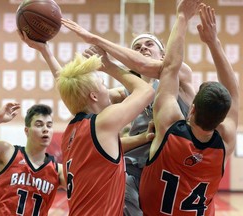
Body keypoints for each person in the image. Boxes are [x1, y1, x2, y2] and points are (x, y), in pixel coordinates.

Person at [61, 17, 195, 216]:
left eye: (149, 44)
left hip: (170, 170)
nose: (143, 48)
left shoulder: (179, 74)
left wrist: (95, 41)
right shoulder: (129, 92)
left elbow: (143, 65)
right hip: (134, 169)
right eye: (137, 47)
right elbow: (86, 97)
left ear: (164, 53)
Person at [139, 1, 239, 215]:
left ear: (191, 109)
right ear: (222, 121)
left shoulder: (169, 129)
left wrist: (182, 17)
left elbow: (170, 68)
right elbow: (234, 93)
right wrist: (214, 42)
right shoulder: (225, 144)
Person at [0, 103, 65, 215]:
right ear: (26, 130)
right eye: (39, 125)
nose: (45, 129)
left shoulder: (58, 171)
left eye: (49, 125)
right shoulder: (7, 152)